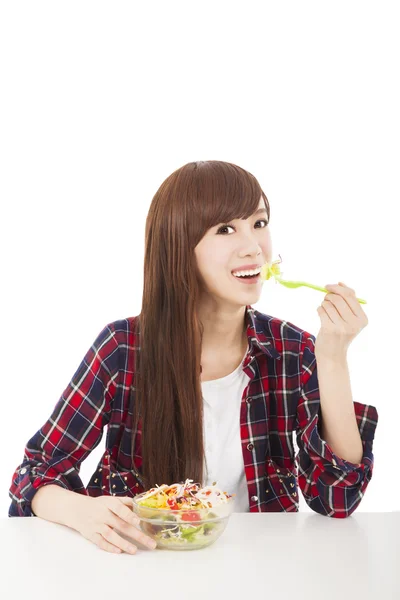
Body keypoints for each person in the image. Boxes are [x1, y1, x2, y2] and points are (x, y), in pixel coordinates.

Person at [8, 160, 378, 554]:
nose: (253, 246)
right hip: (142, 570)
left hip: (262, 571)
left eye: (259, 222)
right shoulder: (123, 348)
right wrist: (81, 511)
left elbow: (338, 499)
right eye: (224, 229)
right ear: (179, 246)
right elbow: (36, 472)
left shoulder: (293, 350)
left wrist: (333, 358)